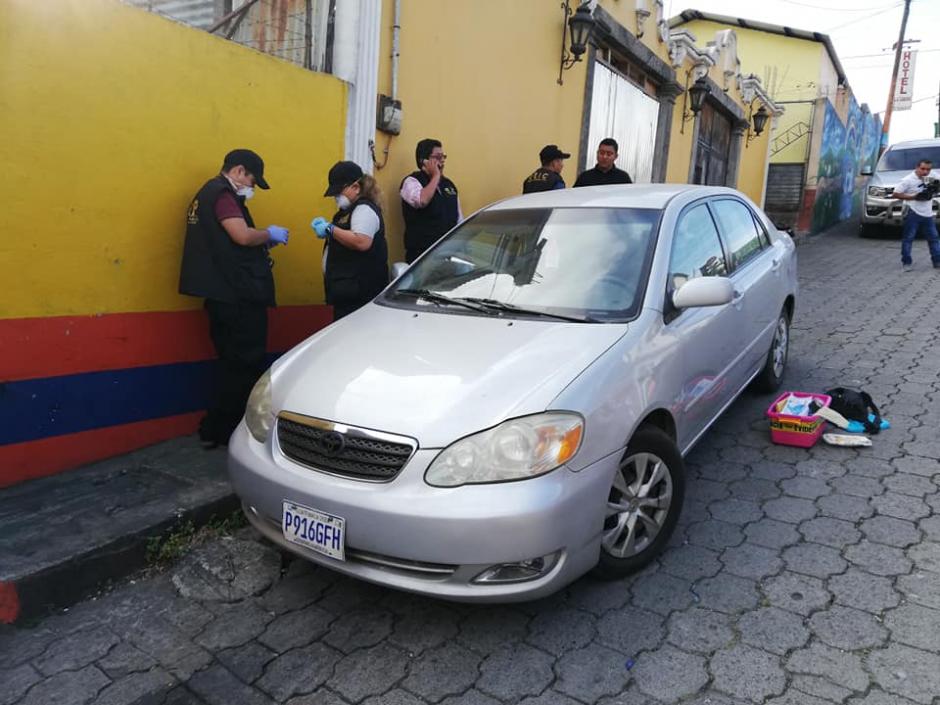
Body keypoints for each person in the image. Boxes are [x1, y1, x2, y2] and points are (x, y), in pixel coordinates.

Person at [178, 149, 290, 447]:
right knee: (244, 365)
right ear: (239, 171)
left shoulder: (206, 194)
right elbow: (240, 235)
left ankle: (215, 429)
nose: (252, 188)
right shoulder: (223, 194)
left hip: (220, 294)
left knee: (230, 364)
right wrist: (268, 234)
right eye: (252, 180)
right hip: (236, 297)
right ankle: (232, 432)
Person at [312, 161, 389, 320]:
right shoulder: (346, 212)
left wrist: (330, 229)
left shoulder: (364, 209)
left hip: (360, 295)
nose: (336, 197)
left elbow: (361, 241)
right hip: (346, 294)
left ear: (356, 187)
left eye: (339, 192)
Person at [400, 139, 462, 263]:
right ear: (424, 161)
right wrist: (435, 176)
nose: (443, 160)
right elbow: (421, 201)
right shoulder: (412, 181)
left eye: (443, 156)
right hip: (422, 257)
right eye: (438, 157)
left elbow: (459, 219)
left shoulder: (449, 185)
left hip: (448, 256)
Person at [891, 158, 940, 272]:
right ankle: (906, 263)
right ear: (917, 167)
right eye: (923, 169)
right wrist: (914, 196)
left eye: (928, 169)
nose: (925, 172)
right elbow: (896, 194)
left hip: (928, 213)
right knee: (908, 238)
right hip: (913, 212)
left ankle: (937, 261)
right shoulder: (908, 180)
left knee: (934, 238)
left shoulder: (933, 176)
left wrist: (934, 189)